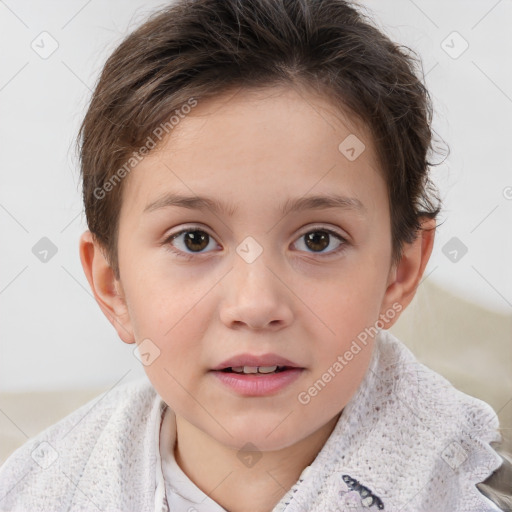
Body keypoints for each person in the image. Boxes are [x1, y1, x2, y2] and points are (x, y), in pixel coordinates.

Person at [0, 0, 510, 510]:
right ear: (113, 285)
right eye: (194, 240)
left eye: (317, 239)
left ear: (400, 272)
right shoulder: (36, 490)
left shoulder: (467, 492)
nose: (255, 304)